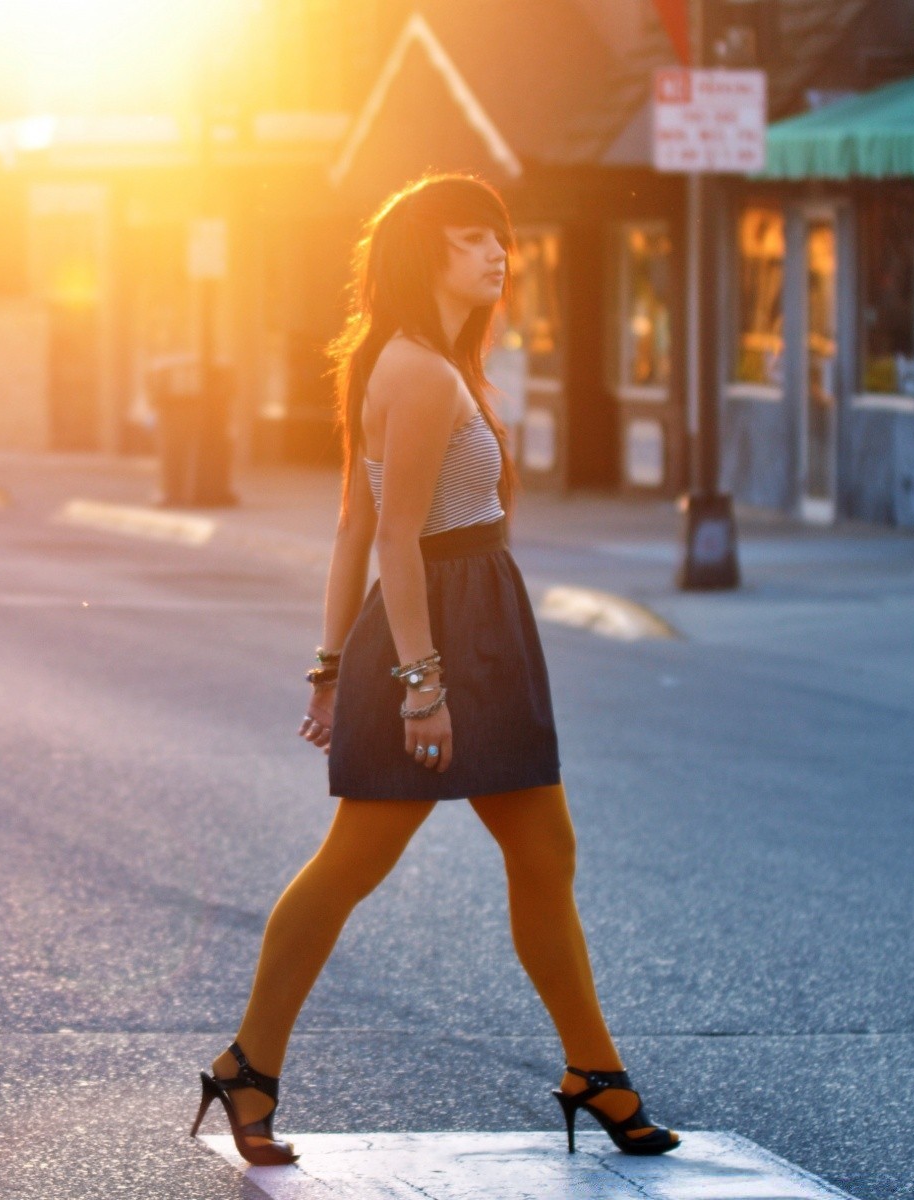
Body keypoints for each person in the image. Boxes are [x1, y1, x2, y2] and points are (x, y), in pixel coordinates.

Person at [190, 174, 680, 1165]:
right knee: (350, 867)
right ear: (427, 256)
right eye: (471, 240)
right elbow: (393, 542)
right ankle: (249, 1064)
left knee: (544, 856)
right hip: (444, 634)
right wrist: (419, 683)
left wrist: (330, 666)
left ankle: (596, 1072)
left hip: (474, 628)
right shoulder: (417, 372)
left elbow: (352, 526)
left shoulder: (423, 360)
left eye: (500, 238)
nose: (498, 255)